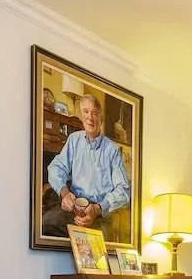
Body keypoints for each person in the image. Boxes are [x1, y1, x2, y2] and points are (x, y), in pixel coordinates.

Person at [43, 94, 130, 238]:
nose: (90, 117)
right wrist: (64, 193)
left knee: (93, 247)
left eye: (95, 113)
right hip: (73, 209)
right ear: (81, 116)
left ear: (101, 119)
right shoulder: (74, 140)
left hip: (99, 214)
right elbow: (56, 167)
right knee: (45, 227)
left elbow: (124, 190)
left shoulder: (113, 150)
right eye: (86, 111)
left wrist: (98, 208)